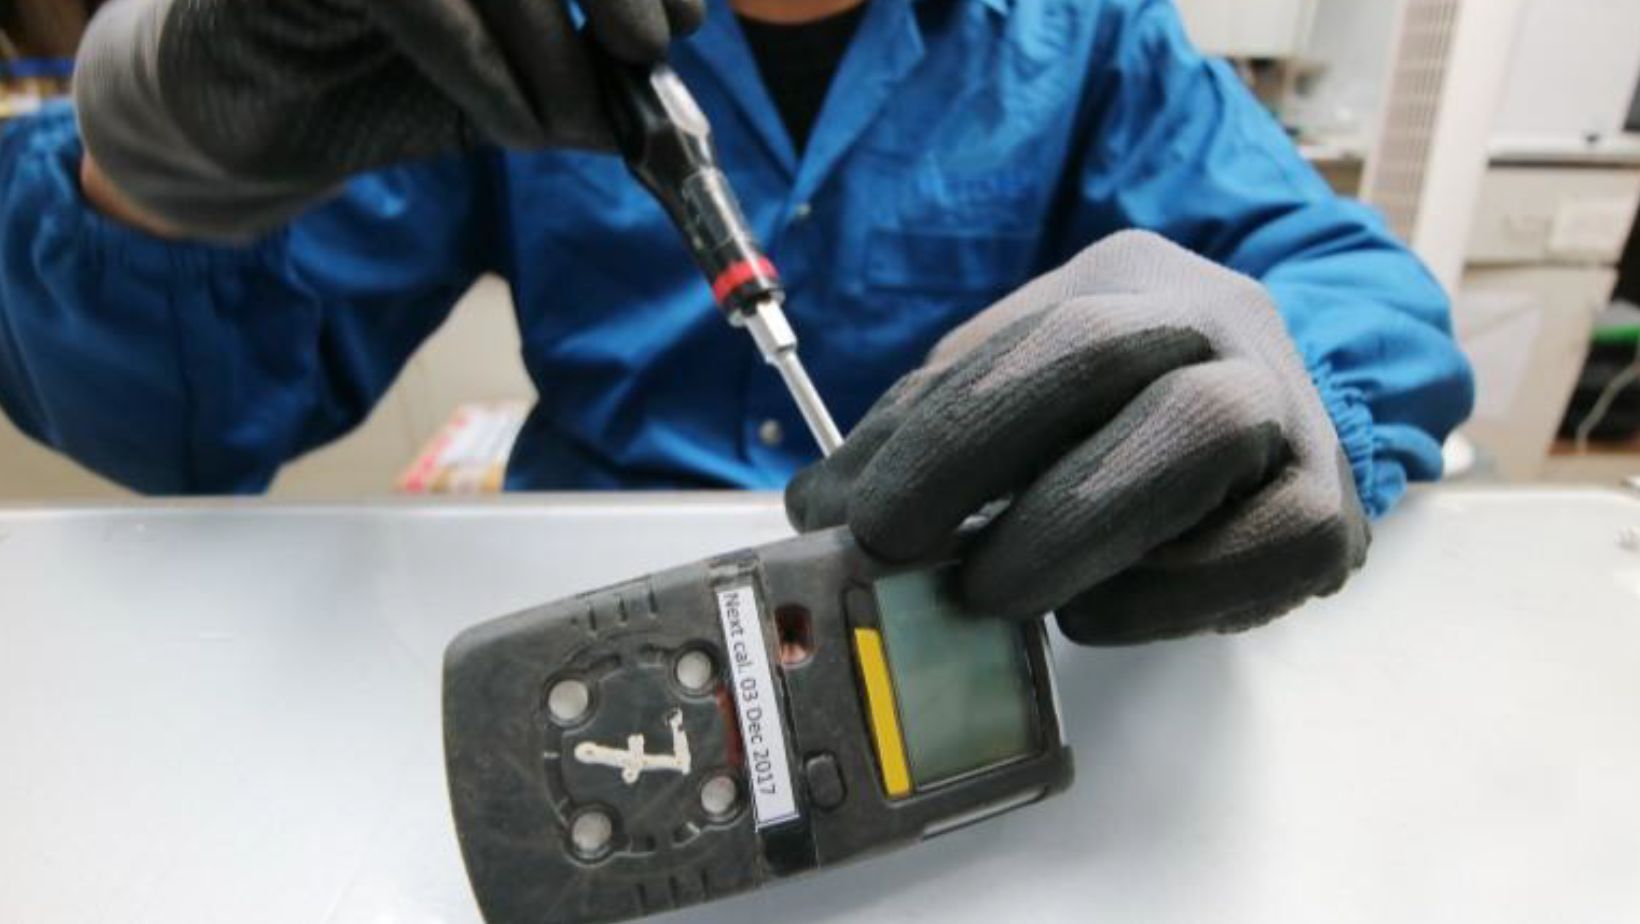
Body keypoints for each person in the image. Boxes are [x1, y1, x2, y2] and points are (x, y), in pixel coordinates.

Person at [0, 0, 1473, 643]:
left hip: (962, 657)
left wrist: (1292, 375)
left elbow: (1357, 285)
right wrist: (151, 160)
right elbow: (187, 431)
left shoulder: (1080, 30)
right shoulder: (499, 29)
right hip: (578, 655)